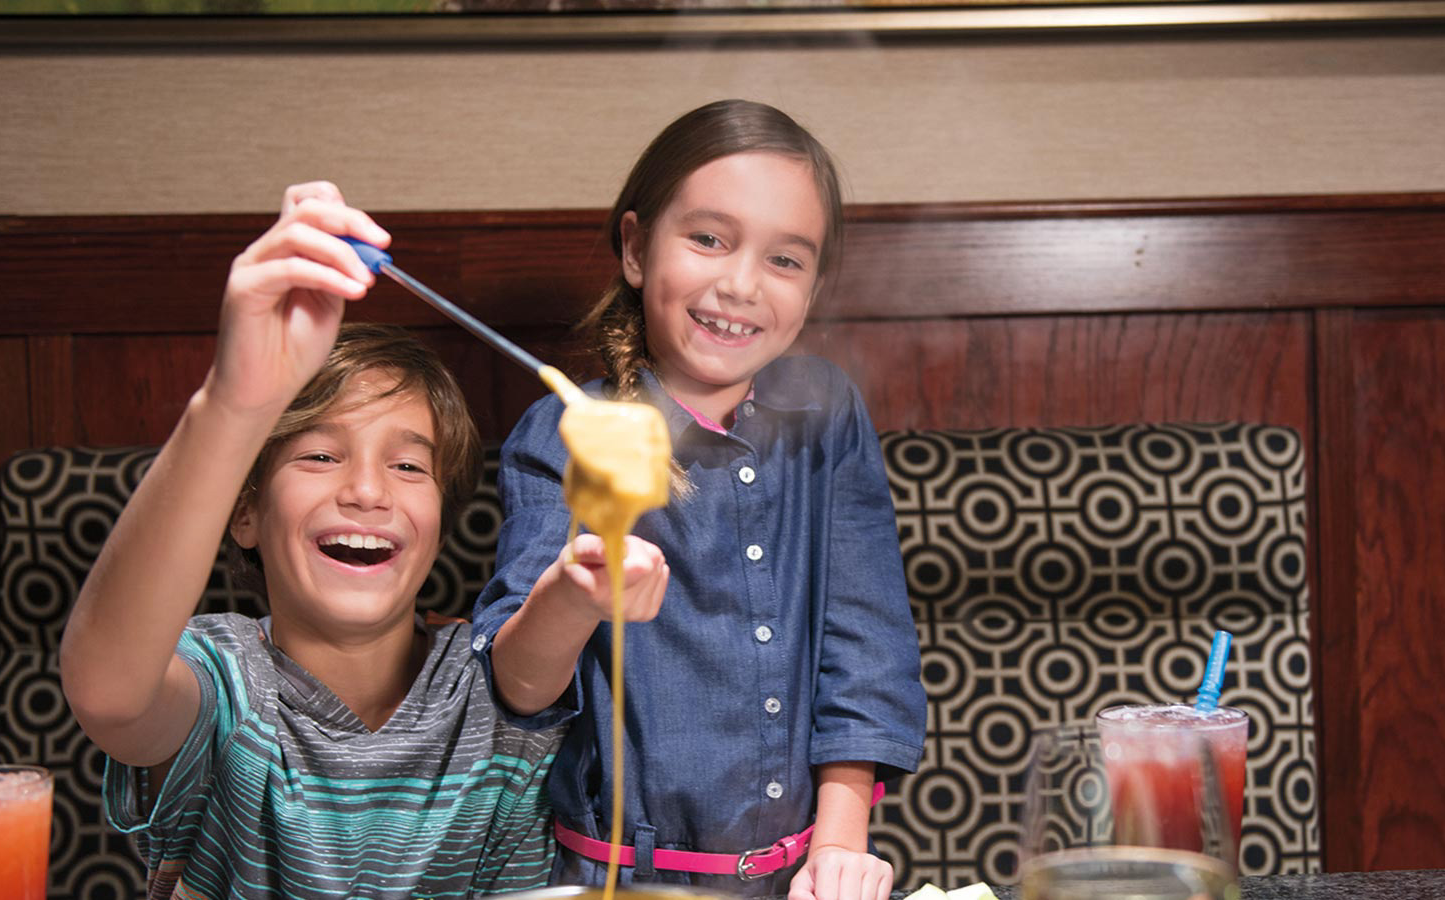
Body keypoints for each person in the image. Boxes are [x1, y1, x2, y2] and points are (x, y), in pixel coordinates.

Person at [60, 182, 570, 900]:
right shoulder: (227, 685)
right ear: (244, 515)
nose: (367, 490)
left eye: (408, 465)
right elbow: (110, 694)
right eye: (320, 456)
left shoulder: (503, 680)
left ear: (440, 522)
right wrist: (235, 402)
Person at [473, 99, 927, 900]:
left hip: (802, 878)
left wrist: (839, 847)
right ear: (637, 248)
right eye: (709, 239)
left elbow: (865, 642)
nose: (741, 283)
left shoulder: (829, 412)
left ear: (815, 288)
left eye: (786, 261)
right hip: (612, 881)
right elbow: (517, 689)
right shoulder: (562, 430)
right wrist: (574, 599)